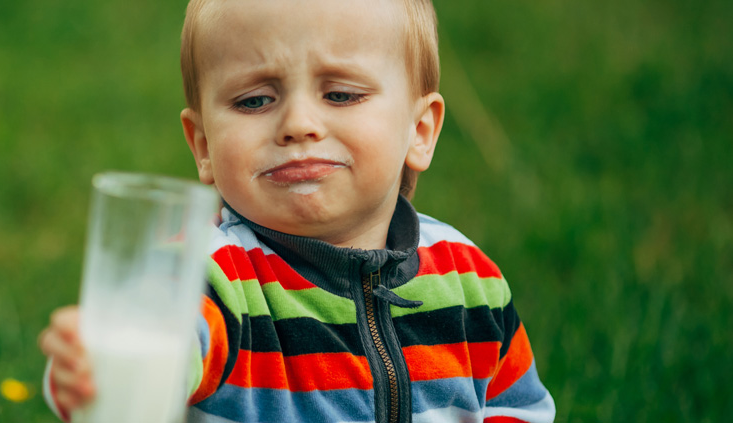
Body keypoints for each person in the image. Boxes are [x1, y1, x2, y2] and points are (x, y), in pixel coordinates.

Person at [37, 0, 556, 421]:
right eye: (254, 101)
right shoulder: (212, 274)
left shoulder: (470, 282)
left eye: (341, 94)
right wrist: (97, 369)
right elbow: (165, 340)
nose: (298, 124)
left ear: (419, 132)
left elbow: (517, 407)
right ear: (203, 147)